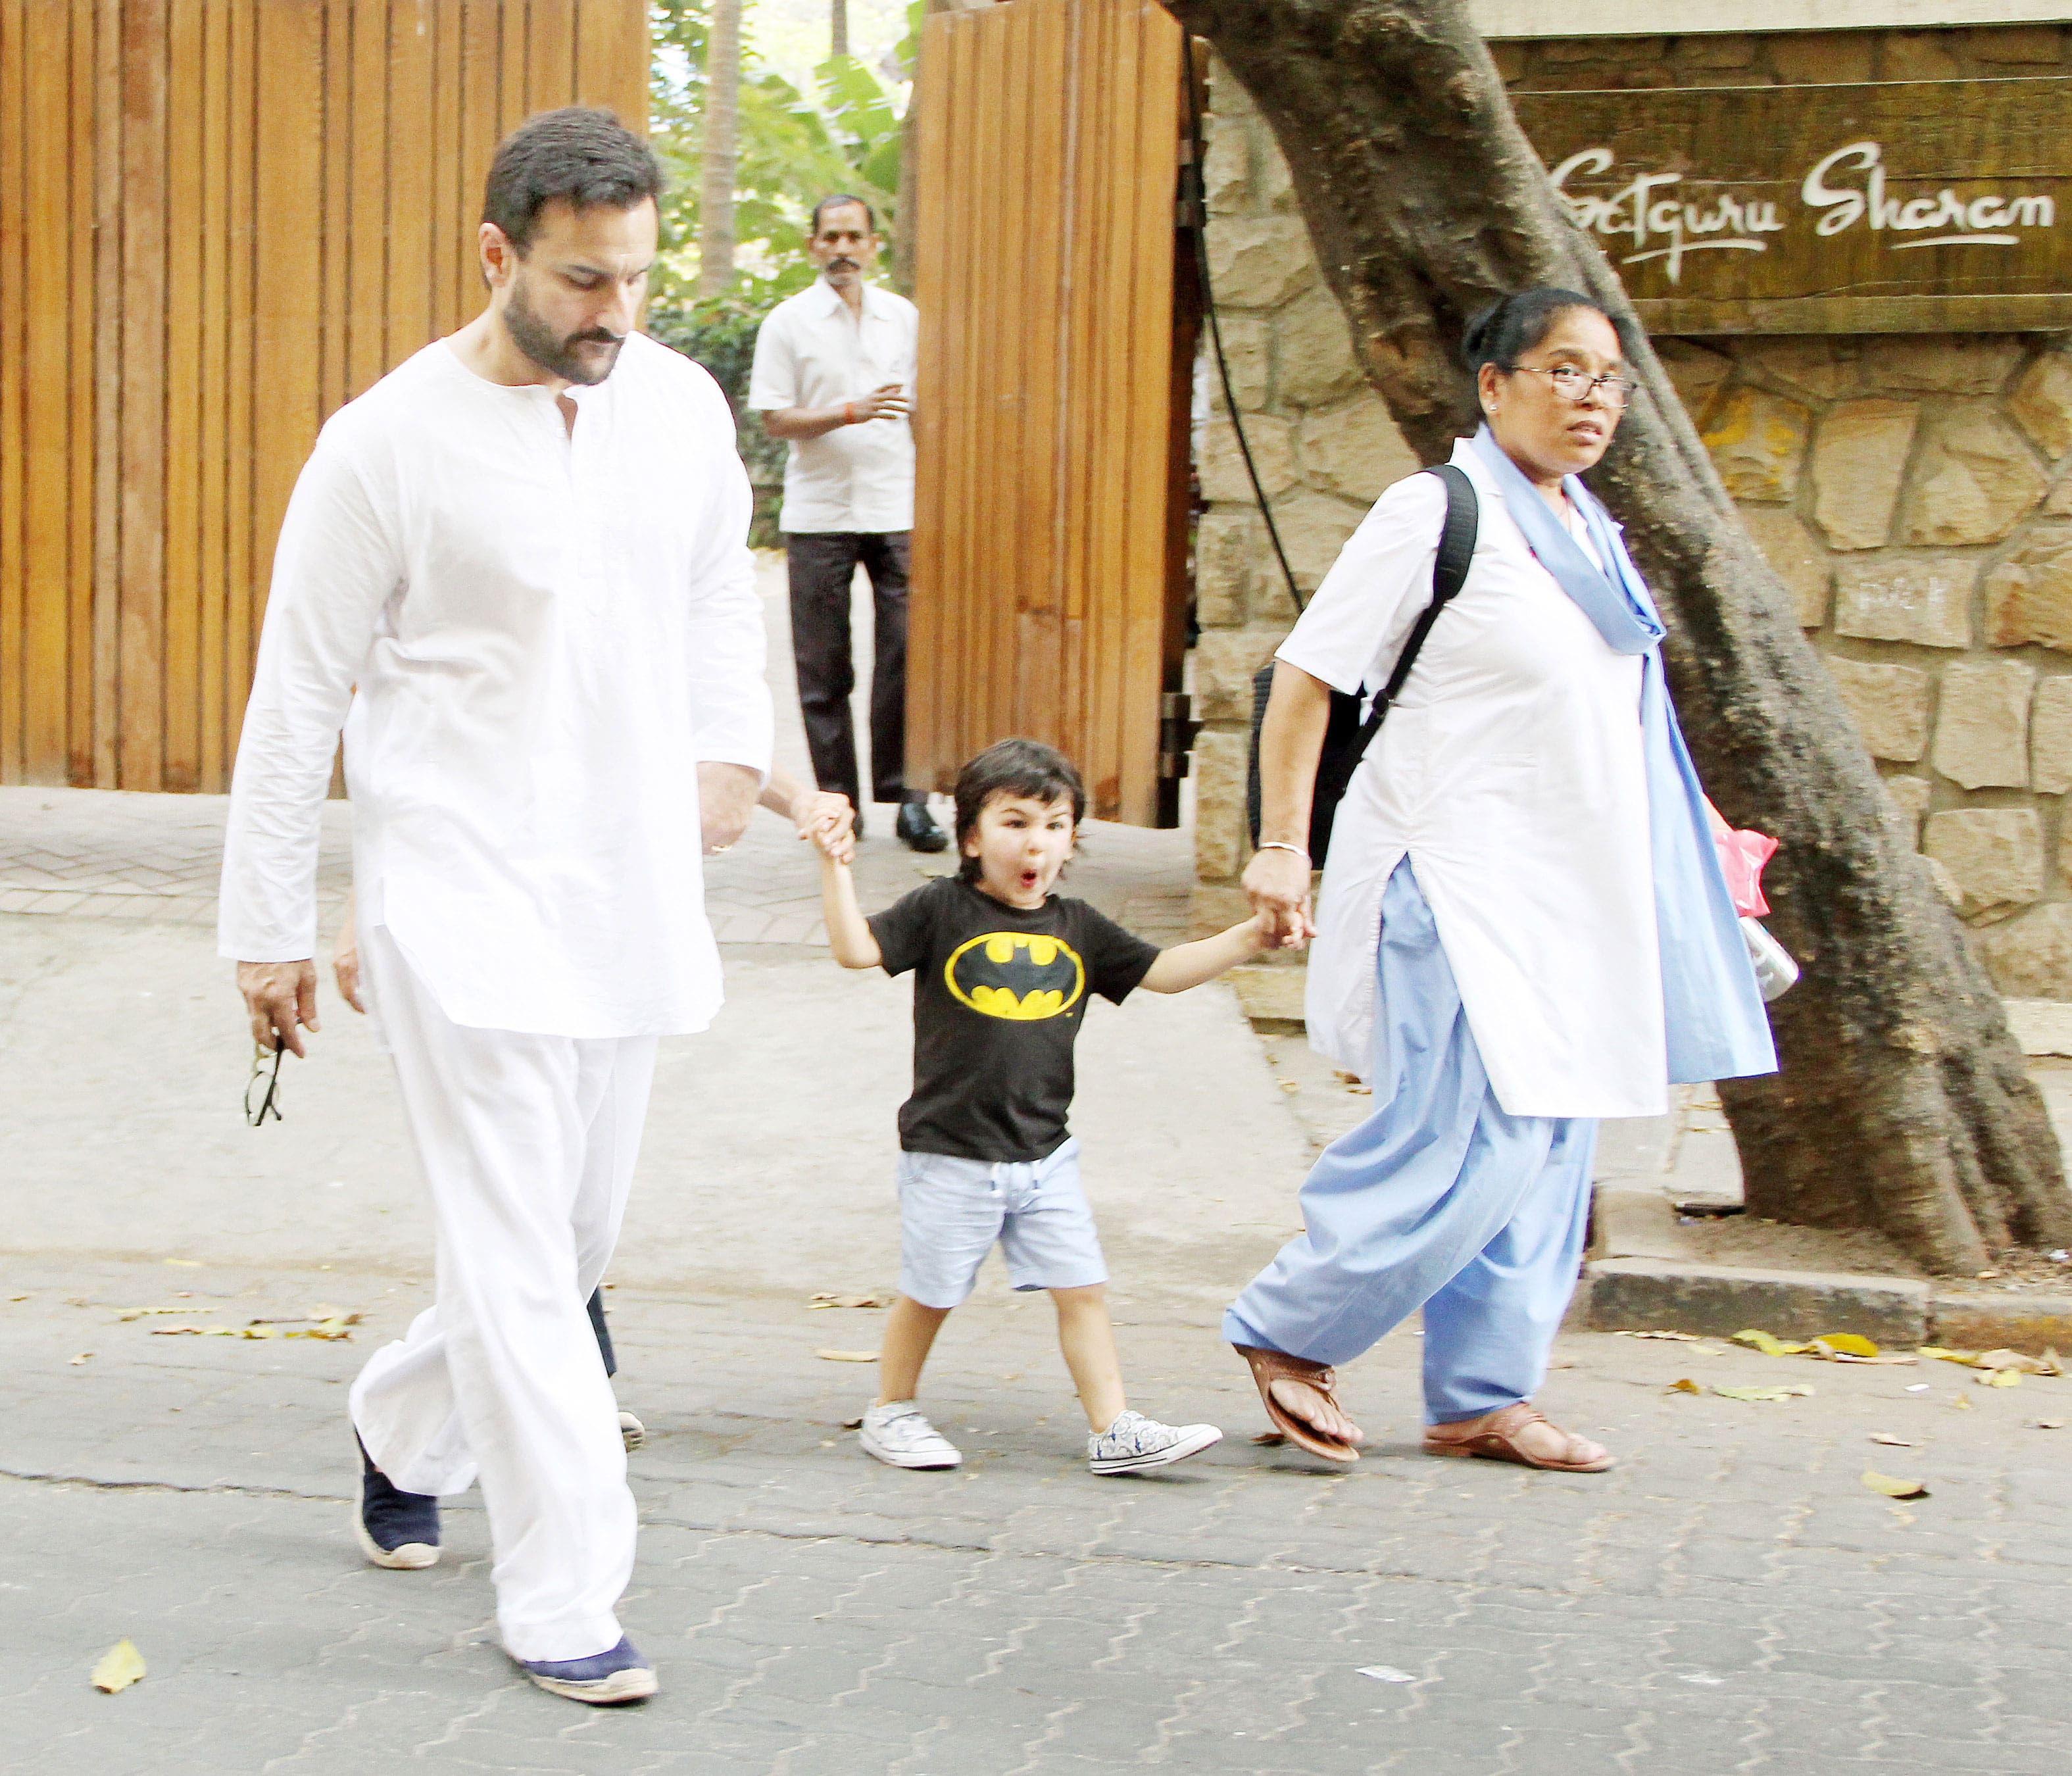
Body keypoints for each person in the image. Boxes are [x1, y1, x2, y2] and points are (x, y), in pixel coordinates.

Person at [219, 108, 774, 1706]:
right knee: (531, 1267)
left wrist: (729, 749)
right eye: (585, 281)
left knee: (563, 1237)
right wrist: (265, 923)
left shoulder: (675, 405)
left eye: (639, 281)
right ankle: (563, 1590)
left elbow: (712, 585)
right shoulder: (381, 442)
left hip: (624, 887)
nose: (617, 314)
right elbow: (294, 696)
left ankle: (400, 1417)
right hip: (452, 896)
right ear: (496, 254)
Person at [1230, 287, 1777, 1472]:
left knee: (1555, 1148)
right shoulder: (1436, 511)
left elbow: (1615, 716)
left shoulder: (1592, 533)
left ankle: (1481, 1394)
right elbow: (1307, 676)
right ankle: (1291, 1330)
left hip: (1576, 894)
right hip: (1453, 875)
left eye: (1611, 380)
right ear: (1494, 385)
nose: (1593, 399)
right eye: (1565, 371)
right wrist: (1284, 844)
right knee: (1469, 1134)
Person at [329, 769, 853, 1459]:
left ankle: (405, 1412)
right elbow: (416, 754)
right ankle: (456, 1441)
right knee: (515, 1218)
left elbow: (710, 708)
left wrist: (799, 798)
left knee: (585, 1228)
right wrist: (357, 910)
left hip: (626, 943)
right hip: (500, 932)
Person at [813, 737, 1287, 1474]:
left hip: (1045, 1156)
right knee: (931, 1293)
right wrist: (834, 868)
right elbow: (854, 950)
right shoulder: (940, 909)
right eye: (1014, 822)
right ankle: (892, 1410)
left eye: (1054, 824)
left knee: (1083, 1290)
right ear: (971, 836)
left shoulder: (1078, 926)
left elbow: (1163, 972)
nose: (1035, 842)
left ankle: (1114, 1428)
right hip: (951, 1154)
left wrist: (1251, 935)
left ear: (1071, 840)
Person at [748, 194, 947, 852]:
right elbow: (773, 418)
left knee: (907, 657)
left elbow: (926, 408)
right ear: (812, 246)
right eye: (830, 236)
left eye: (854, 236)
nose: (842, 248)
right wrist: (849, 412)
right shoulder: (788, 323)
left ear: (872, 245)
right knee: (824, 669)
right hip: (821, 514)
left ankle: (910, 801)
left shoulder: (905, 319)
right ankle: (841, 805)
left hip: (897, 507)